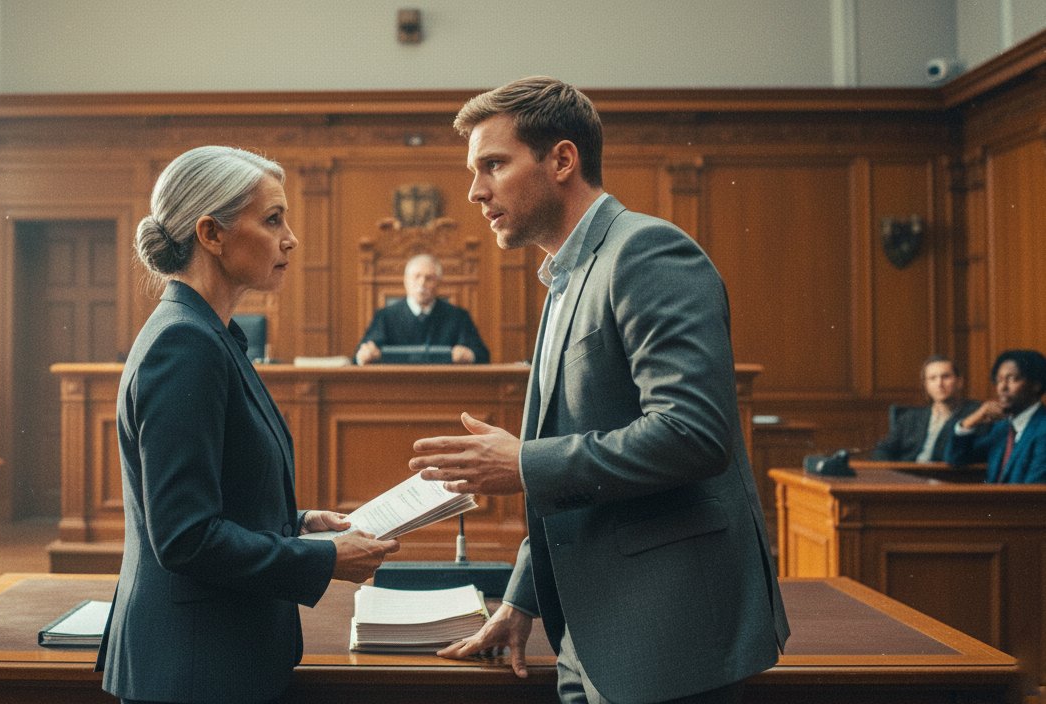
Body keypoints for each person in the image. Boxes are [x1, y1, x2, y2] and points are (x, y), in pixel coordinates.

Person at [408, 77, 788, 704]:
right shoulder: (567, 274)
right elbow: (579, 449)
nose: (475, 191)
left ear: (562, 159)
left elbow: (693, 434)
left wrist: (524, 462)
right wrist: (523, 599)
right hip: (590, 630)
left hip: (666, 638)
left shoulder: (646, 252)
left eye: (493, 165)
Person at [96, 145, 399, 704]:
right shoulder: (184, 344)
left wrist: (299, 521)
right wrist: (327, 558)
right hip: (194, 669)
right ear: (211, 233)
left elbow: (215, 490)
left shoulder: (210, 334)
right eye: (272, 219)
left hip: (217, 654)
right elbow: (186, 537)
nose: (290, 238)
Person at [355, 253, 490, 364]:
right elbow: (358, 357)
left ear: (438, 282)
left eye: (429, 278)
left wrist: (469, 355)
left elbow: (483, 356)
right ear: (406, 281)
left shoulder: (458, 317)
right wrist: (365, 355)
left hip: (444, 388)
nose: (422, 283)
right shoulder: (385, 316)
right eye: (416, 277)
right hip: (396, 388)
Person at [945, 348, 1046, 483]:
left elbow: (1035, 490)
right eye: (999, 380)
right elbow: (955, 459)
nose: (1002, 387)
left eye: (1012, 379)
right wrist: (972, 420)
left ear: (1036, 385)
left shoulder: (1043, 429)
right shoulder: (1002, 427)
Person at [871, 355, 981, 462]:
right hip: (908, 476)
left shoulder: (975, 415)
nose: (939, 384)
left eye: (946, 377)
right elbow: (882, 450)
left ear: (959, 382)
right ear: (926, 385)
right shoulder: (910, 418)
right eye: (932, 378)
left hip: (950, 477)